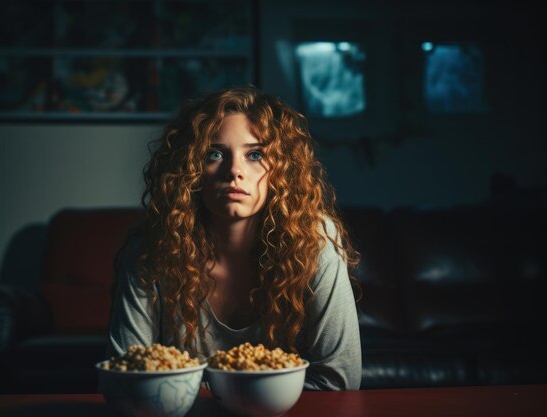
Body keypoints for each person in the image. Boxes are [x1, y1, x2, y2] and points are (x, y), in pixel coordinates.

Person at [103, 85, 362, 391]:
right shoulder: (152, 249)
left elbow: (340, 380)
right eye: (214, 154)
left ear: (282, 170)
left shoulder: (314, 240)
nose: (234, 171)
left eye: (255, 155)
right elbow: (124, 376)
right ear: (190, 169)